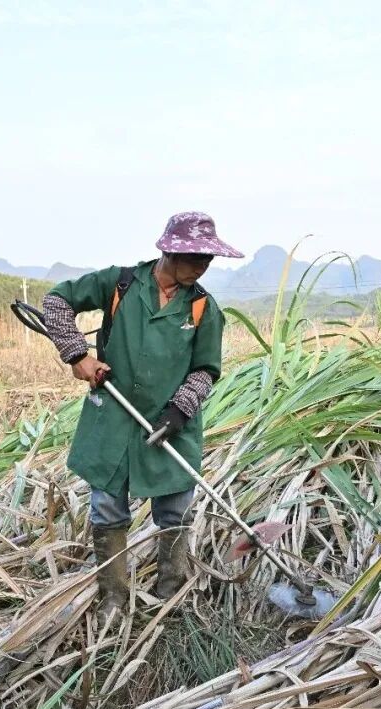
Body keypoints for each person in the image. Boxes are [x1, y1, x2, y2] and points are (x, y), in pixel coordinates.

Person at [40, 211, 243, 617]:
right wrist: (77, 355)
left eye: (207, 259)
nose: (201, 267)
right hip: (114, 419)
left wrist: (179, 410)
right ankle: (113, 597)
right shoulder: (121, 284)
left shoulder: (203, 308)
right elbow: (56, 301)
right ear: (169, 251)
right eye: (194, 257)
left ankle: (171, 595)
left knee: (175, 510)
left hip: (170, 425)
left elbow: (206, 370)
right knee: (108, 508)